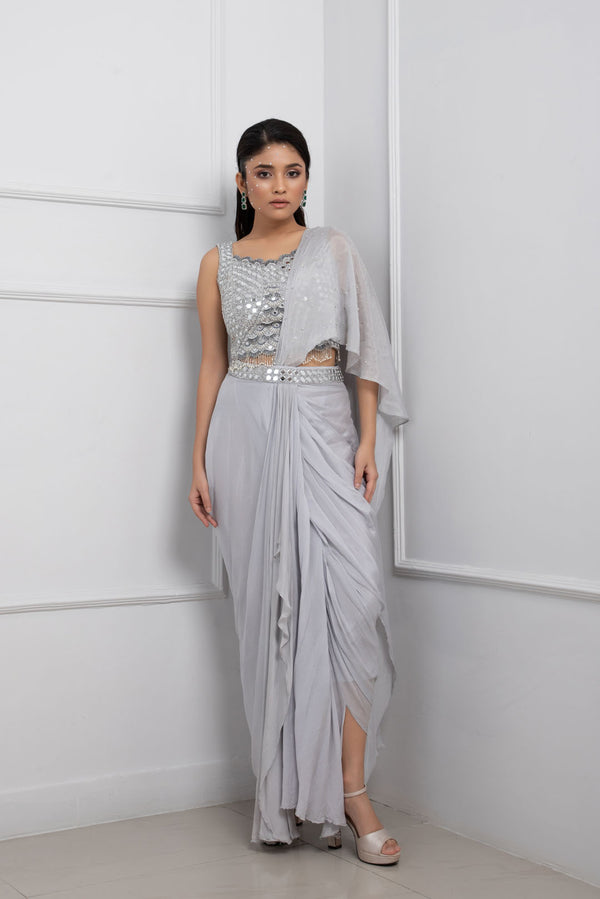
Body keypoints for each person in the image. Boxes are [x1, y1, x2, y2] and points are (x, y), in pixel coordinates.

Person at [189, 118, 408, 865]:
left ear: (307, 179)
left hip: (322, 422)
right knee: (269, 617)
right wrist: (197, 460)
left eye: (293, 171)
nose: (280, 185)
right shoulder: (217, 263)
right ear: (242, 183)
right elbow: (212, 364)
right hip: (243, 435)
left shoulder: (333, 249)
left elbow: (365, 351)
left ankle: (349, 791)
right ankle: (289, 797)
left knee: (355, 604)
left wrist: (367, 439)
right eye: (264, 172)